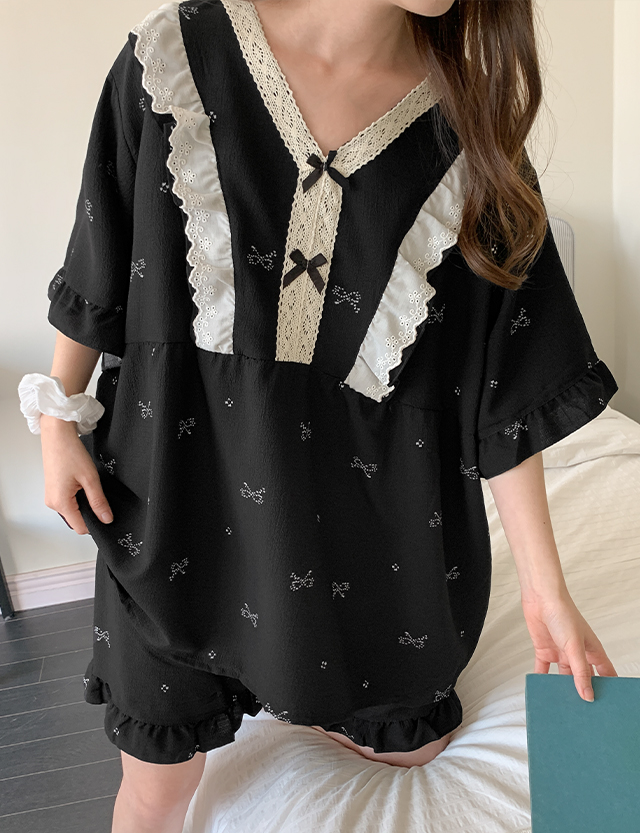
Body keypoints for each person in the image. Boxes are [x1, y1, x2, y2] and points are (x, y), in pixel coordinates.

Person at [18, 0, 619, 830]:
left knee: (416, 749)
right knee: (155, 792)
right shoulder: (175, 57)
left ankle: (297, 678)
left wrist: (548, 593)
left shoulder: (470, 129)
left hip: (367, 537)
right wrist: (57, 417)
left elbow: (507, 385)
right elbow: (100, 253)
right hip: (173, 511)